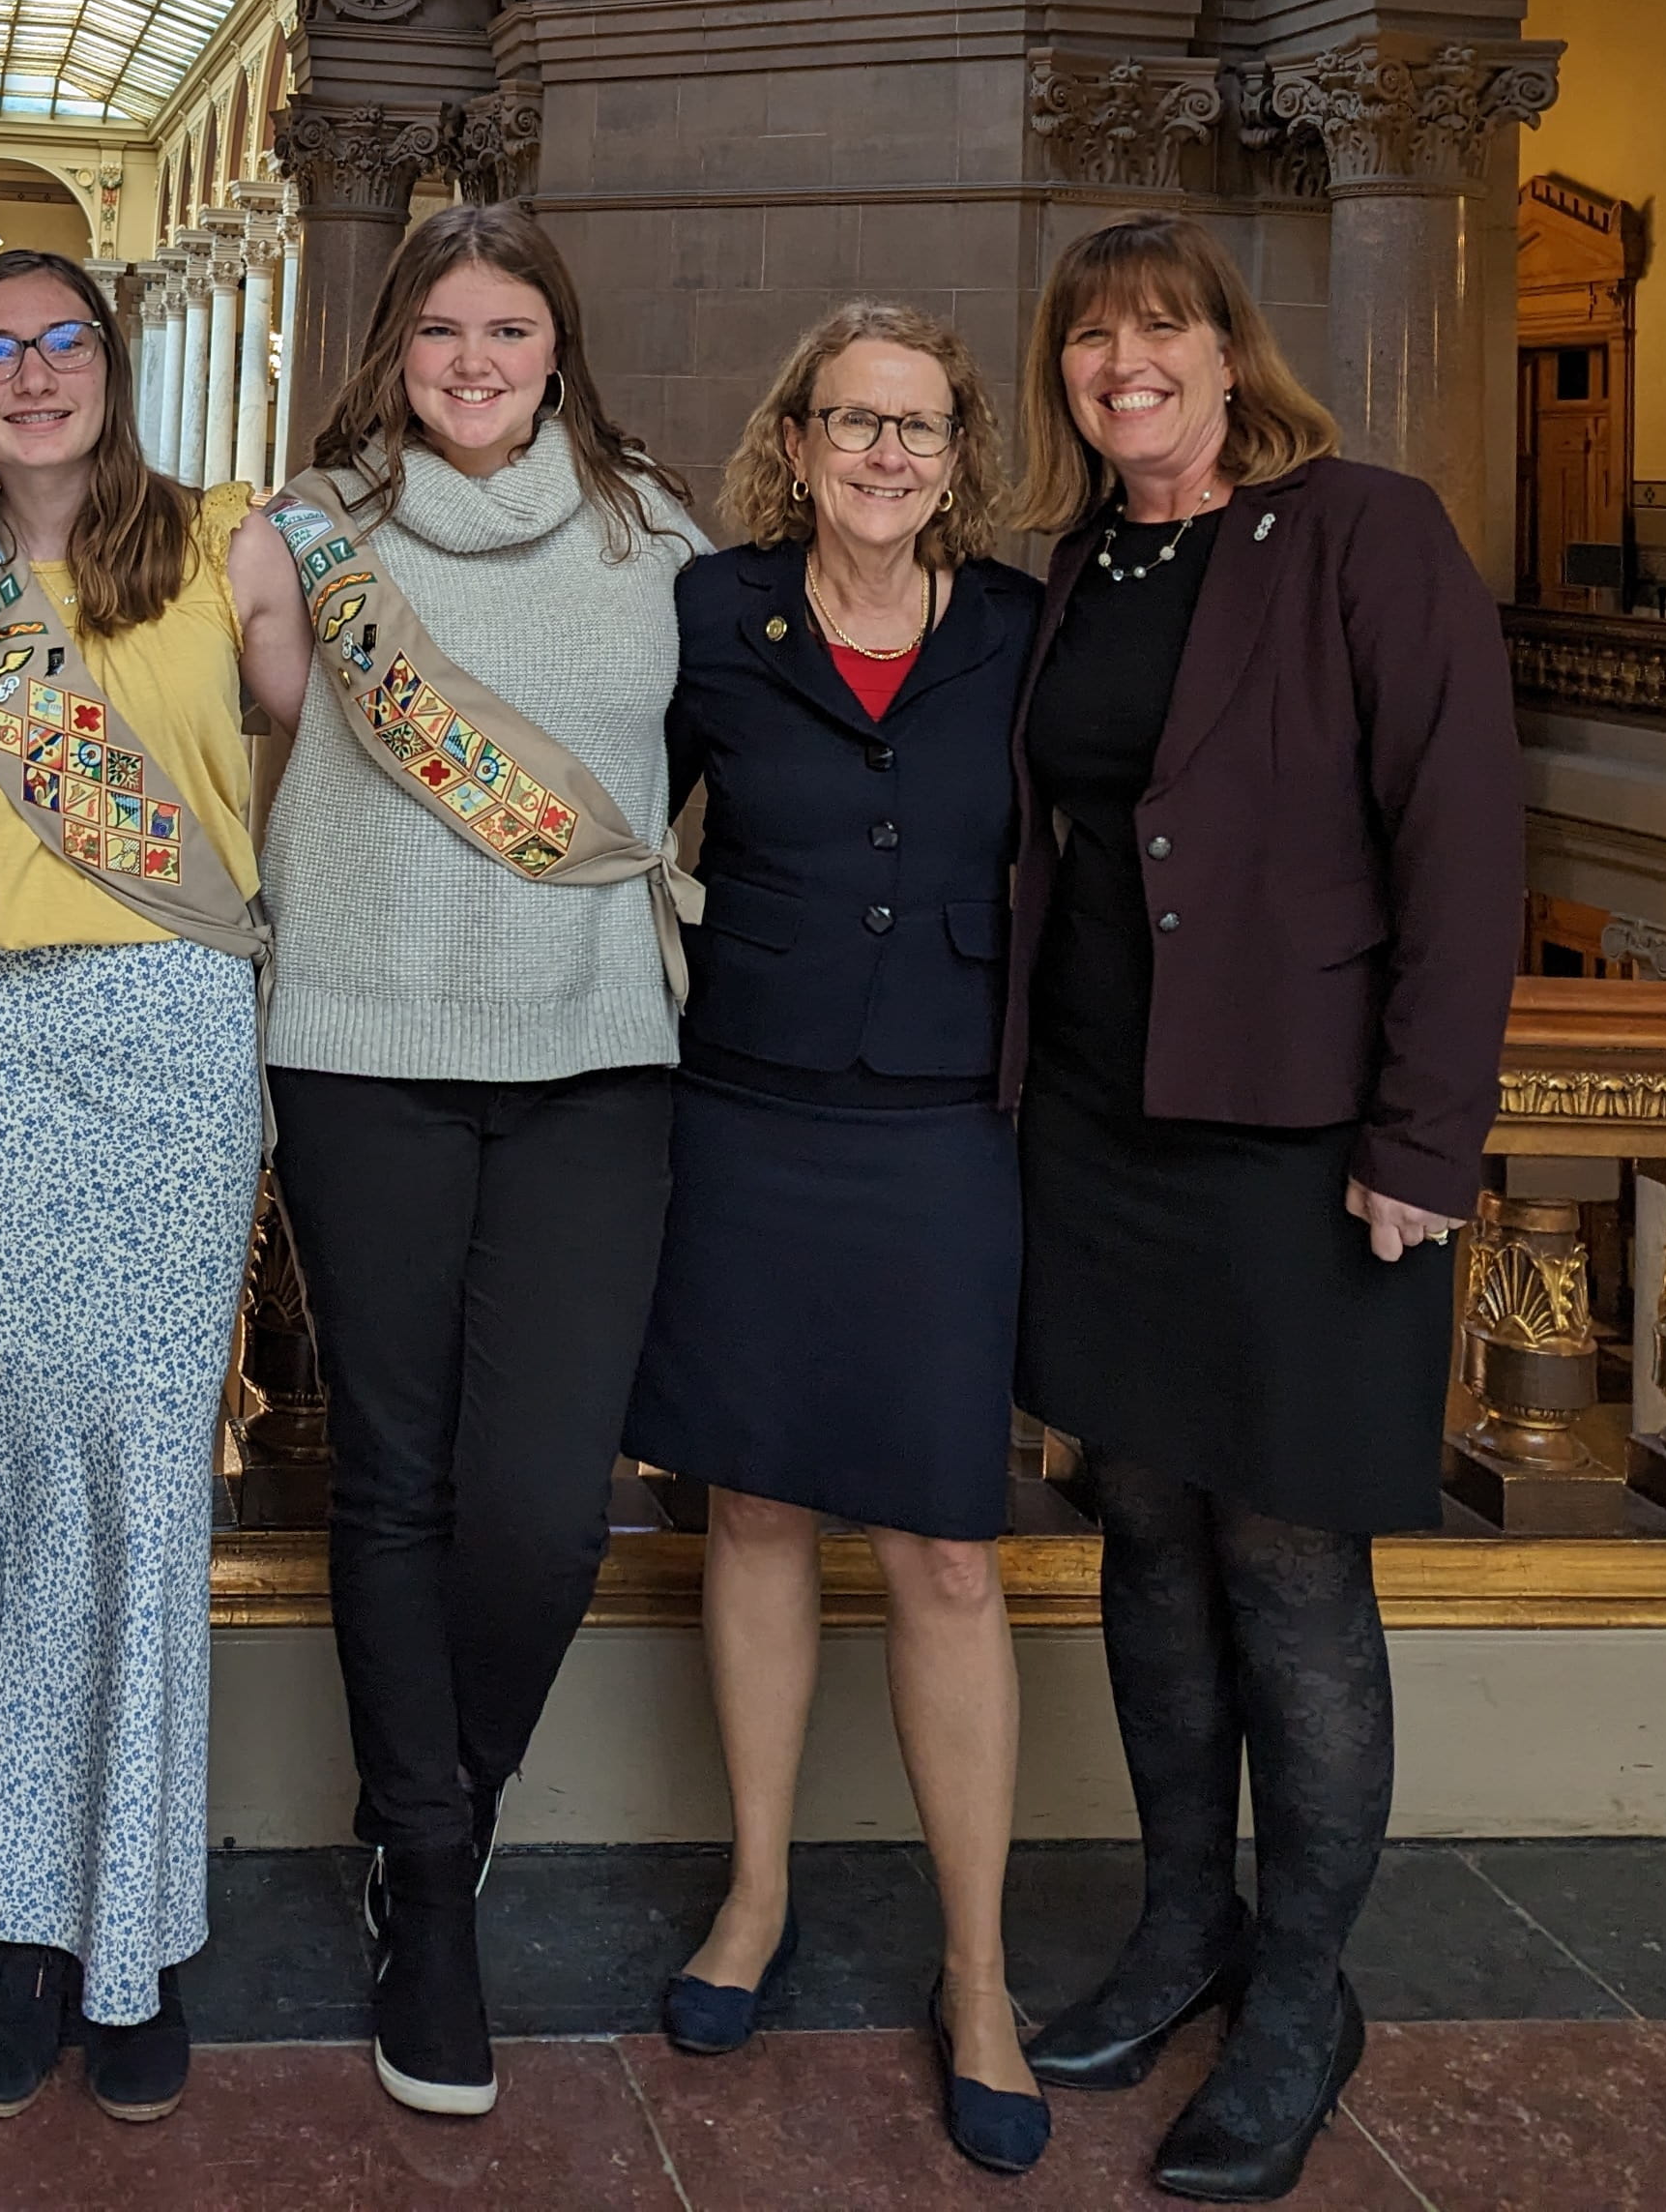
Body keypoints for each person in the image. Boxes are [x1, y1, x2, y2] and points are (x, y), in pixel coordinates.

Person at [1006, 216, 1523, 2203]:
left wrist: (1422, 1139)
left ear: (1234, 355)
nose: (1125, 365)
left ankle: (1304, 1989)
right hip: (1098, 1130)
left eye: (1163, 332)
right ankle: (1180, 1923)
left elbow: (1463, 844)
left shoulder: (1366, 532)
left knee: (1294, 1575)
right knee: (1143, 1535)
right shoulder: (1071, 566)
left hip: (1307, 1147)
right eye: (1092, 341)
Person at [257, 202, 701, 2122]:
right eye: (440, 326)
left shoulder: (658, 534)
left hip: (600, 1057)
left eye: (507, 326)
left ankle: (442, 1805)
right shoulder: (306, 533)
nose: (471, 357)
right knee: (398, 1480)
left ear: (559, 346)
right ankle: (427, 1882)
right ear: (395, 342)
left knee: (537, 1507)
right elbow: (205, 734)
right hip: (364, 1052)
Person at [0, 250, 310, 2125]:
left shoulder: (234, 544)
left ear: (112, 371)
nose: (35, 374)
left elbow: (324, 754)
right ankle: (29, 1921)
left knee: (140, 1471)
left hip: (171, 1032)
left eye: (66, 343)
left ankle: (121, 1931)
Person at [627, 305, 1048, 2174]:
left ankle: (978, 1978)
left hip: (951, 1128)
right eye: (854, 422)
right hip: (748, 1107)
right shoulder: (709, 614)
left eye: (923, 428)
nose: (888, 455)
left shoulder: (1028, 635)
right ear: (792, 440)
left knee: (953, 1555)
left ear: (962, 457)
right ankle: (758, 1894)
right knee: (755, 1512)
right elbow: (593, 818)